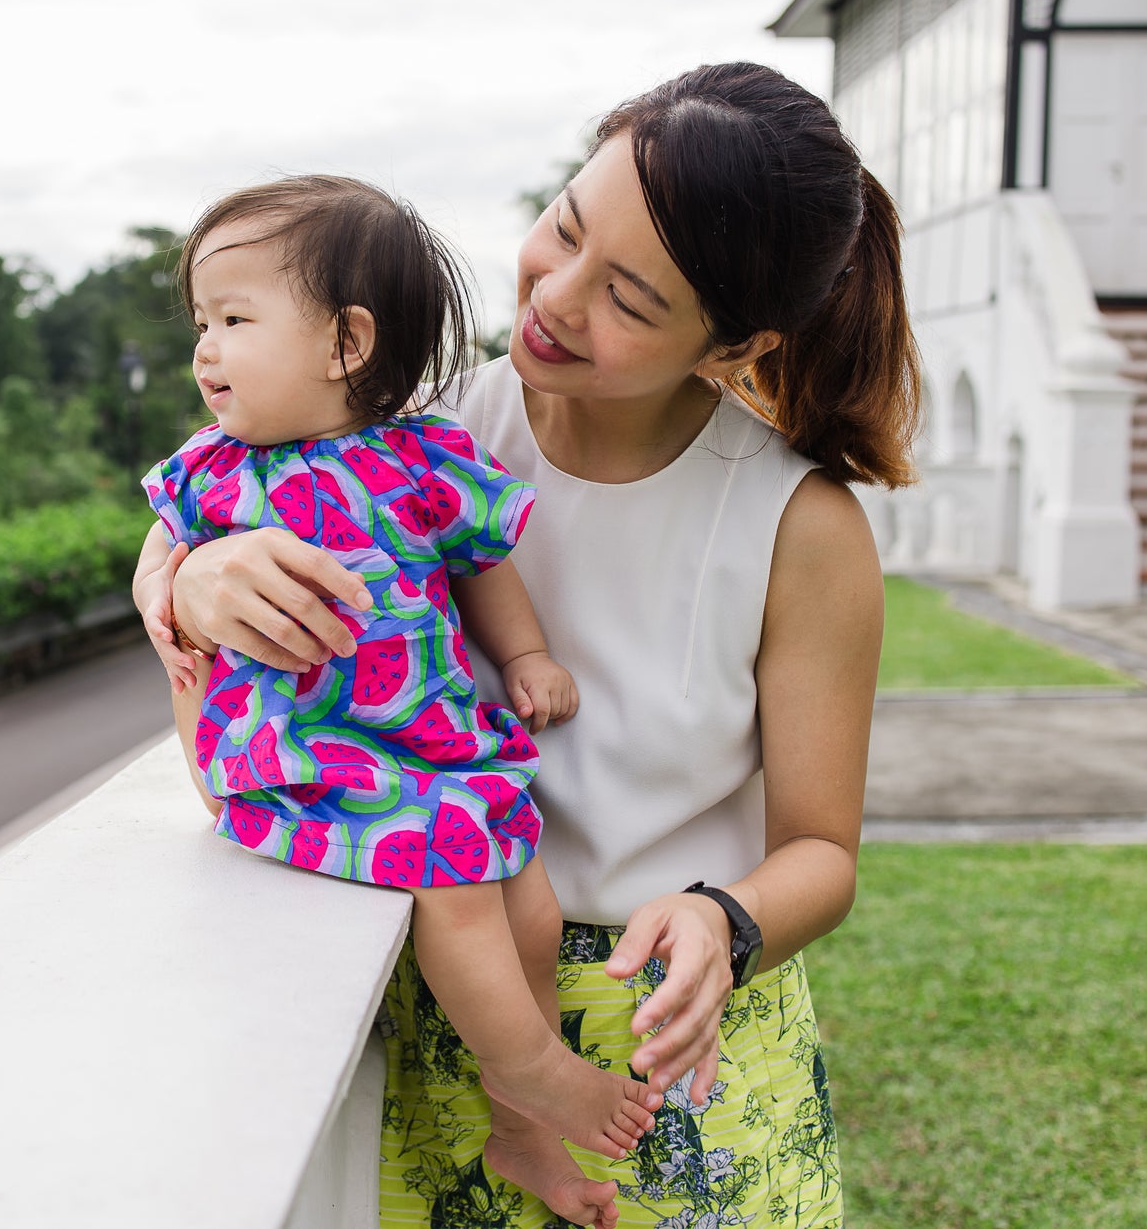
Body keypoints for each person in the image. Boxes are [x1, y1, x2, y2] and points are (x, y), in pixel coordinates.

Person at [145, 62, 918, 1228]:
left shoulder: (797, 524)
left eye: (629, 300)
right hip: (443, 1033)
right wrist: (190, 580)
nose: (554, 297)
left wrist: (725, 917)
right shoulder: (412, 427)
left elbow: (821, 848)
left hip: (679, 1070)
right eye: (562, 226)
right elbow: (192, 520)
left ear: (731, 343)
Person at [131, 175, 663, 1229]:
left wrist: (526, 655)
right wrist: (170, 585)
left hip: (427, 744)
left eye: (233, 320)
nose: (204, 350)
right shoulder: (216, 471)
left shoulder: (425, 452)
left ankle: (517, 1130)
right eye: (201, 323)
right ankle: (535, 1068)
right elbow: (163, 558)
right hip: (306, 756)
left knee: (531, 903)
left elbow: (482, 566)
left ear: (347, 342)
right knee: (454, 889)